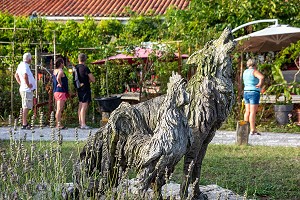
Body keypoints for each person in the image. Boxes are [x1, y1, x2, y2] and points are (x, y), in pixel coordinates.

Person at [15, 52, 37, 129]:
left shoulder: (20, 65)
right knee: (26, 106)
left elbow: (16, 75)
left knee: (26, 105)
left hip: (24, 88)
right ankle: (24, 123)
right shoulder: (25, 66)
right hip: (26, 90)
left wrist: (21, 83)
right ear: (29, 59)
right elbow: (25, 75)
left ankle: (25, 122)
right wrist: (27, 85)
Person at [243, 58, 264, 135]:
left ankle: (245, 129)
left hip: (246, 92)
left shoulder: (245, 72)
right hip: (254, 92)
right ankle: (252, 129)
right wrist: (260, 84)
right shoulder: (254, 71)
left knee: (247, 111)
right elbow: (261, 77)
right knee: (252, 112)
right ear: (255, 64)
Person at [74, 53, 95, 129]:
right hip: (85, 89)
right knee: (84, 106)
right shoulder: (85, 68)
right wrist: (88, 80)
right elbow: (93, 79)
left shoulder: (75, 68)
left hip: (79, 88)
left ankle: (80, 122)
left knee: (80, 105)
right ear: (85, 59)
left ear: (78, 59)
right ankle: (83, 124)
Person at [53, 57, 69, 129]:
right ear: (61, 63)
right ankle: (58, 124)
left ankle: (58, 123)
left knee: (58, 108)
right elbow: (58, 78)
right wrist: (60, 83)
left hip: (56, 91)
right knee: (59, 109)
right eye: (63, 63)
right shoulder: (60, 71)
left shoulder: (54, 71)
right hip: (60, 91)